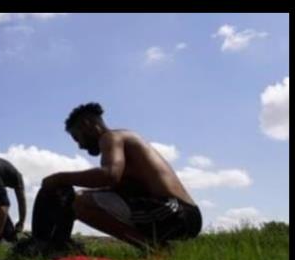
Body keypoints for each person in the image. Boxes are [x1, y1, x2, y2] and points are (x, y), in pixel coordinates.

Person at [41, 102, 202, 248]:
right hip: (184, 217)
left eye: (77, 138)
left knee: (79, 202)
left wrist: (59, 178)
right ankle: (59, 245)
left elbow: (109, 175)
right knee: (80, 198)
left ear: (87, 125)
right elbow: (116, 187)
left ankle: (154, 249)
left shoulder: (111, 137)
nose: (80, 146)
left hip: (178, 213)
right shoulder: (124, 144)